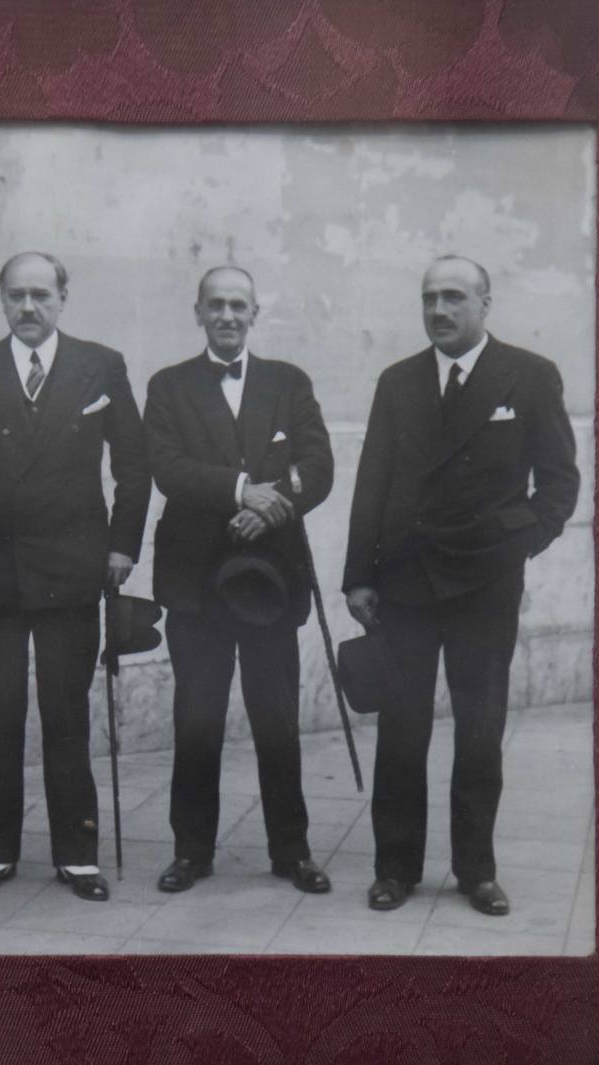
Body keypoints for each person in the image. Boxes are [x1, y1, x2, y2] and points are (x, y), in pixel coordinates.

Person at [343, 255, 580, 916]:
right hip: (407, 583)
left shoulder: (528, 377)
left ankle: (475, 868)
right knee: (401, 730)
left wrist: (518, 543)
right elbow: (373, 481)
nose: (439, 311)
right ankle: (396, 866)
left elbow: (558, 484)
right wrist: (359, 575)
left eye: (453, 297)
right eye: (429, 298)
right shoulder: (398, 382)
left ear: (485, 303)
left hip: (484, 584)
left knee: (480, 729)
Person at [0, 251, 151, 902]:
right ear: (0, 299)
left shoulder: (100, 365)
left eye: (41, 295)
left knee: (66, 715)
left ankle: (77, 854)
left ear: (63, 297)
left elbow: (134, 466)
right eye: (16, 296)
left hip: (71, 570)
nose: (28, 307)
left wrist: (121, 548)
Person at [143, 266, 335, 896]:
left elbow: (318, 463)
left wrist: (272, 501)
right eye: (216, 305)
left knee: (275, 716)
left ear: (256, 313)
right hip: (196, 580)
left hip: (269, 579)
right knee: (197, 717)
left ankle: (292, 850)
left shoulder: (288, 382)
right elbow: (166, 467)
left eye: (238, 306)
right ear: (198, 312)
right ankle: (192, 852)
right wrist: (237, 493)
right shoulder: (168, 386)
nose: (227, 316)